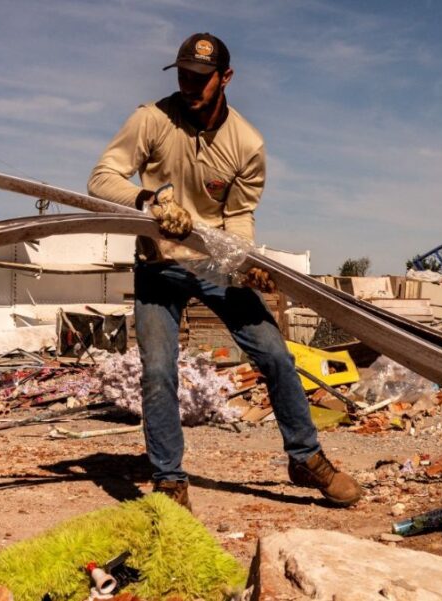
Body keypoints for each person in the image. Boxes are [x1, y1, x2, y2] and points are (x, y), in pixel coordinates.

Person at [88, 33, 363, 509]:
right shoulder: (151, 120)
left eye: (200, 79)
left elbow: (238, 215)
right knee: (157, 370)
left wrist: (243, 260)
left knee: (275, 354)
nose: (189, 86)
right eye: (183, 76)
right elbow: (101, 178)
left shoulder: (247, 143)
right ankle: (170, 481)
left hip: (216, 262)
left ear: (225, 78)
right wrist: (149, 201)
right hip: (159, 264)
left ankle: (305, 457)